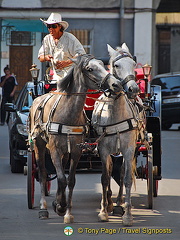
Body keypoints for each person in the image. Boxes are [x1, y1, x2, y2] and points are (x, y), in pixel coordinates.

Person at [38, 12, 86, 80]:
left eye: (54, 26)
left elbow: (81, 54)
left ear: (60, 26)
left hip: (72, 73)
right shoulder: (47, 39)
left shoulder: (70, 38)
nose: (51, 29)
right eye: (49, 26)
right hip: (56, 74)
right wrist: (46, 57)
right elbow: (40, 57)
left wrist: (67, 62)